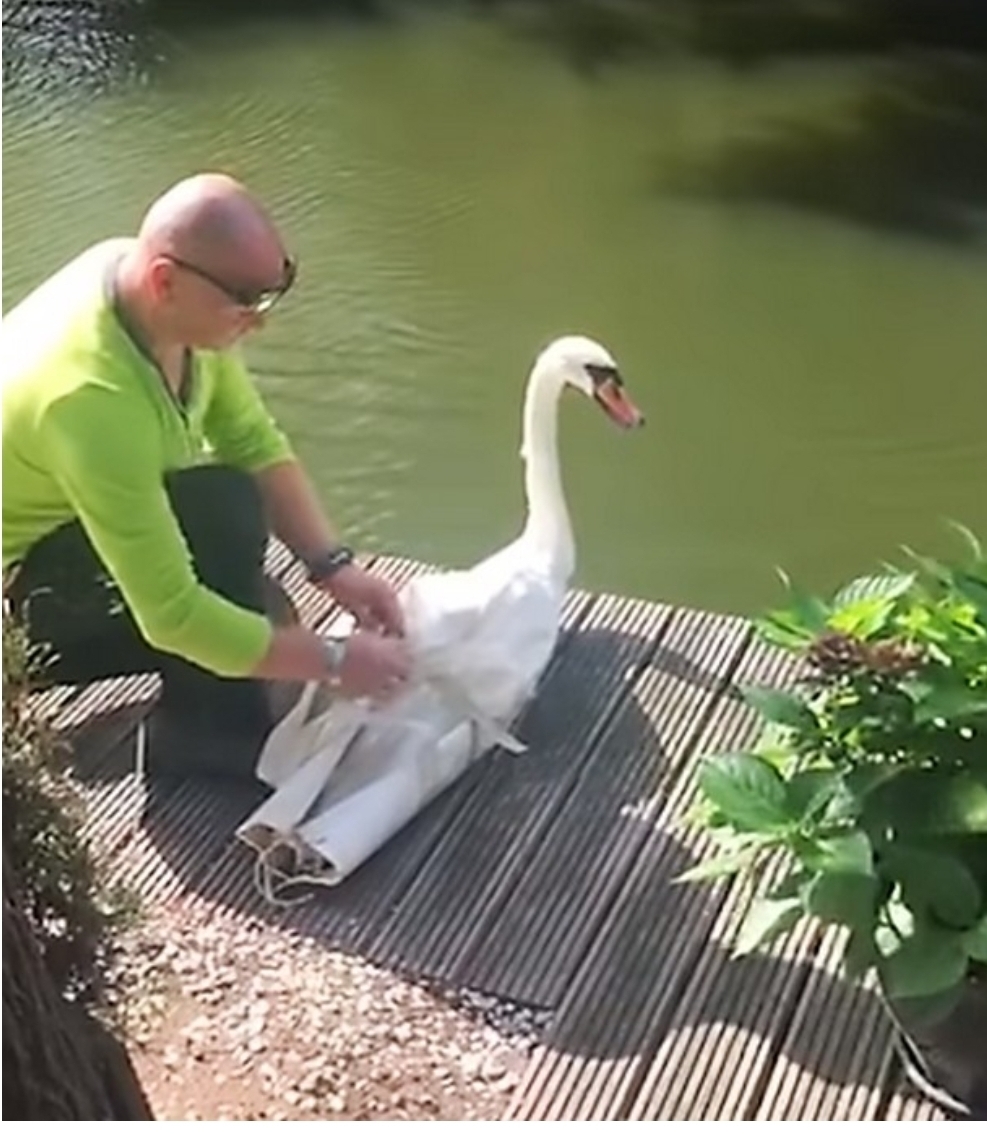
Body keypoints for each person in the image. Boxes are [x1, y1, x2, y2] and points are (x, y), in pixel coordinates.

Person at [2, 173, 411, 779]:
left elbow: (250, 439)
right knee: (221, 520)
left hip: (53, 544)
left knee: (242, 568)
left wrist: (334, 566)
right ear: (165, 280)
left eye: (273, 292)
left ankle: (217, 697)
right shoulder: (90, 399)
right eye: (246, 299)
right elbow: (173, 616)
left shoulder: (149, 293)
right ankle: (204, 741)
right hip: (14, 620)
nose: (259, 321)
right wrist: (335, 658)